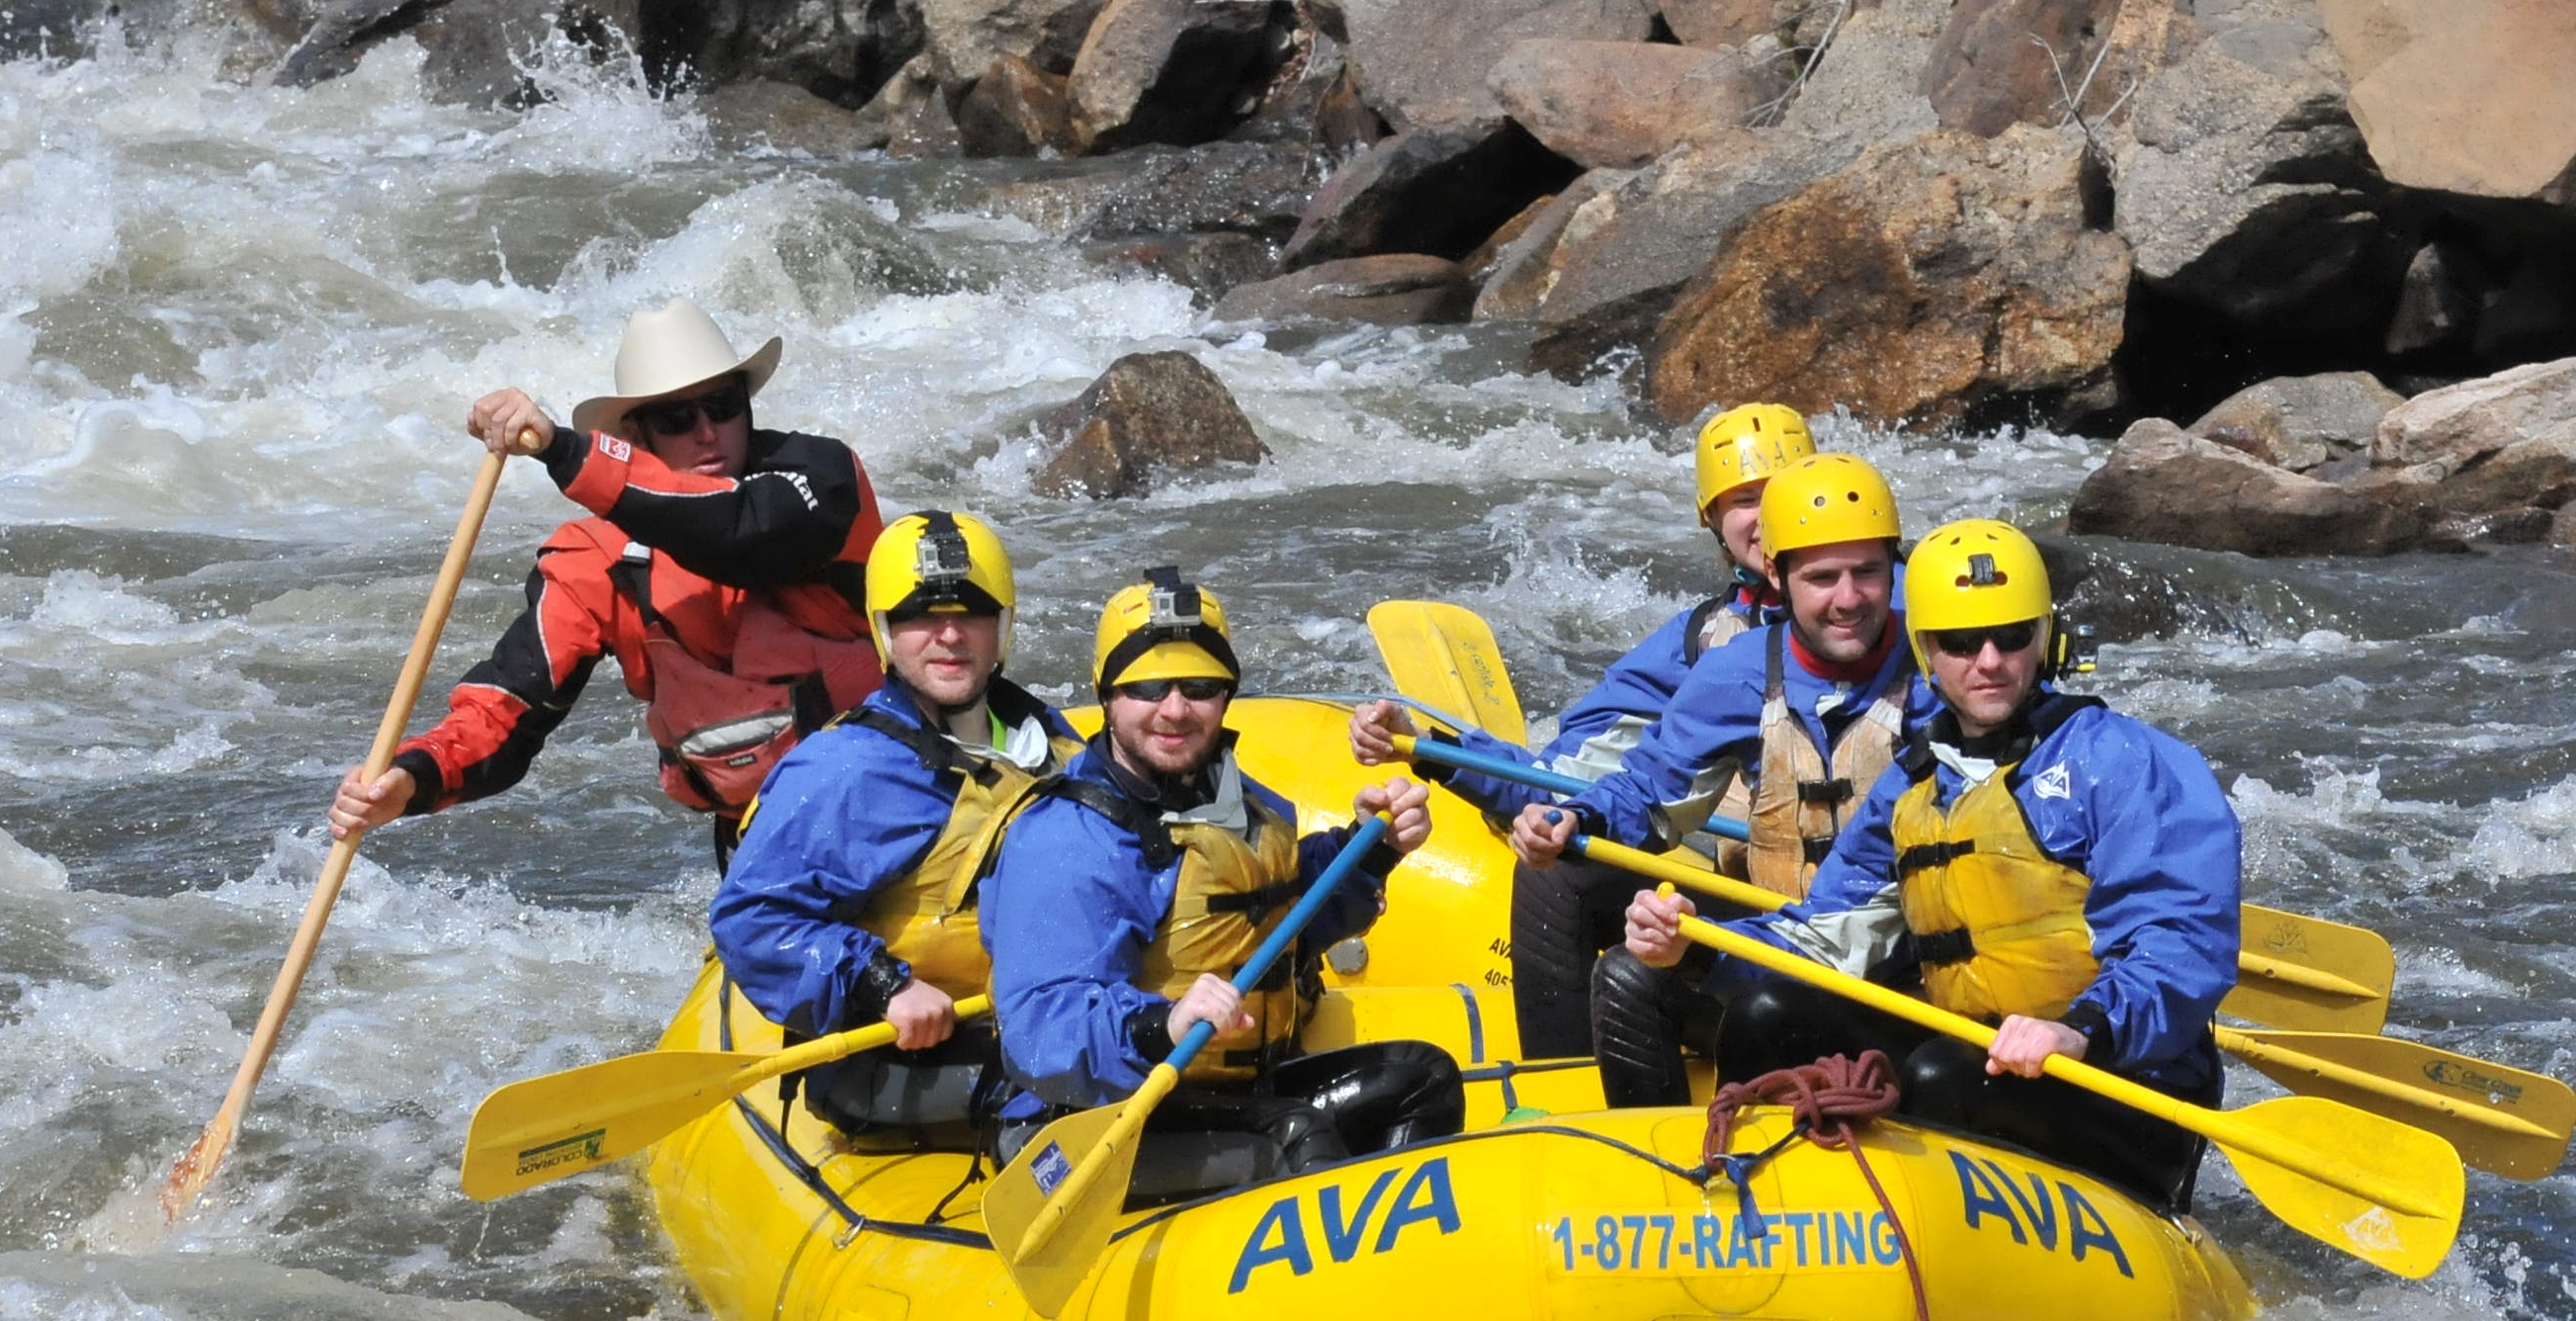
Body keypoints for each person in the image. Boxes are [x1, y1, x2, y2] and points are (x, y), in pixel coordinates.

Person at [1594, 520, 2239, 1209]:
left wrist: (2079, 1029)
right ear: (1927, 651)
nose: (1988, 661)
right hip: (1980, 1046)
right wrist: (1698, 946)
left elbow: (2180, 942)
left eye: (2011, 636)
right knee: (1767, 1011)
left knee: (1939, 1075)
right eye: (1961, 643)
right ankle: (1749, 1203)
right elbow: (1828, 931)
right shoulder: (1916, 786)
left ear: (2044, 639)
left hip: (2121, 1075)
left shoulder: (2124, 761)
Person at [329, 300, 889, 865]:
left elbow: (737, 533)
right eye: (676, 418)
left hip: (901, 803)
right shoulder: (595, 561)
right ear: (637, 435)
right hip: (766, 849)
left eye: (723, 406)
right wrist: (412, 777)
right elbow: (509, 708)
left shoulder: (819, 477)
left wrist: (560, 449)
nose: (707, 432)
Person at [1343, 404, 1817, 1059]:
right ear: (1710, 519)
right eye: (1743, 500)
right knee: (1557, 877)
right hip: (1770, 909)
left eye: (1780, 494)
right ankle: (1557, 1099)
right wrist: (1432, 747)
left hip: (1868, 922)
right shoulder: (1708, 644)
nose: (1764, 518)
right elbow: (1577, 775)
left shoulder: (1932, 623)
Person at [979, 570, 1464, 1204]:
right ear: (1107, 697)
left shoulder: (1241, 804)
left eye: (1200, 687)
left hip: (1218, 1095)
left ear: (1227, 695)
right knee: (1294, 1138)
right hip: (1080, 1125)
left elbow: (1277, 924)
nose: (1175, 709)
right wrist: (1161, 1025)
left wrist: (1369, 850)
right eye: (1148, 687)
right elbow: (1040, 1027)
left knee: (1423, 1079)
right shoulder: (1065, 839)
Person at [707, 511, 1076, 1145]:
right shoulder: (844, 771)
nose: (950, 635)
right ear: (884, 632)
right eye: (920, 617)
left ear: (1003, 626)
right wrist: (883, 986)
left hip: (1041, 1024)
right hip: (891, 1059)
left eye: (973, 613)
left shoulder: (1047, 741)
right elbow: (751, 922)